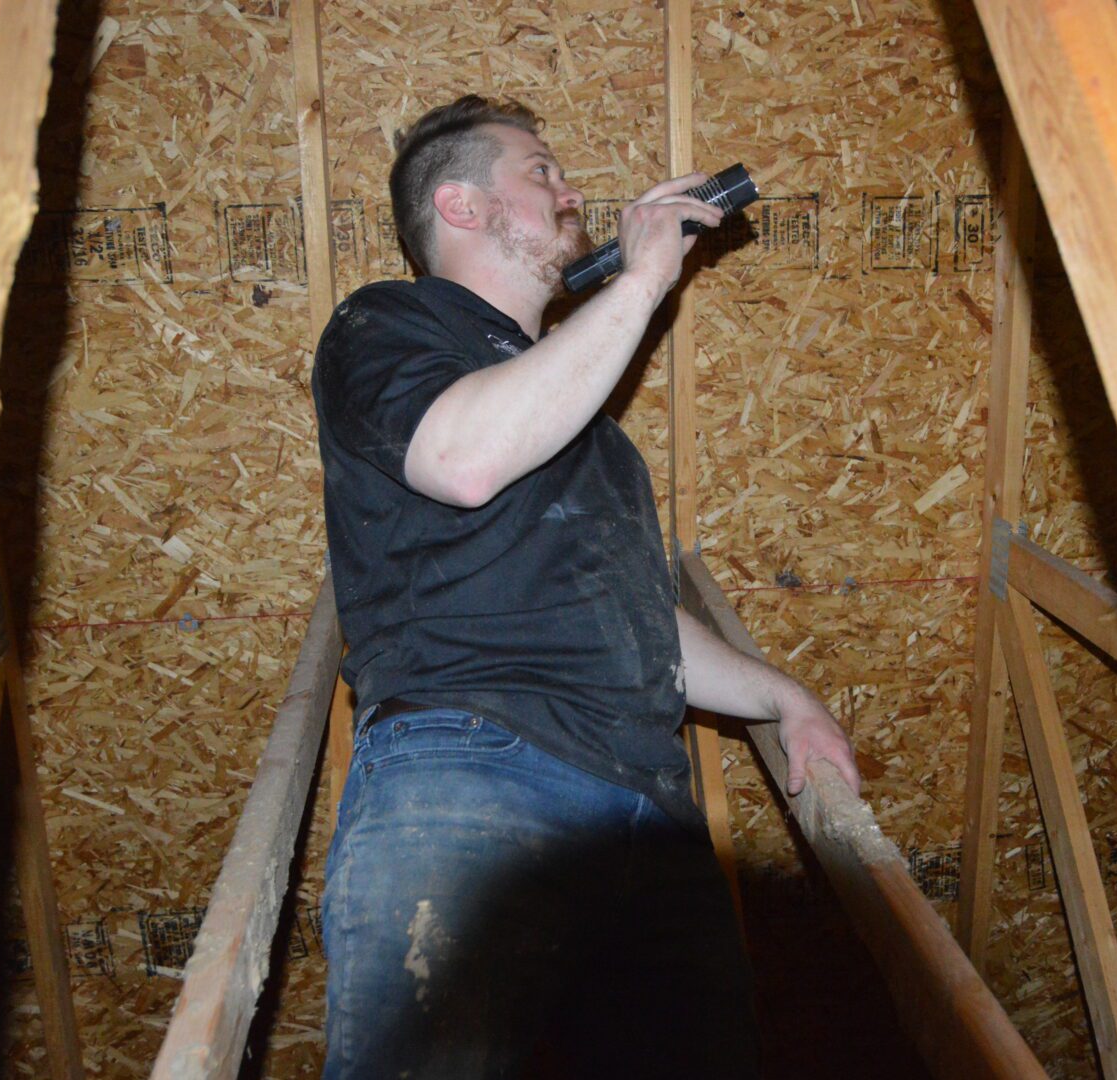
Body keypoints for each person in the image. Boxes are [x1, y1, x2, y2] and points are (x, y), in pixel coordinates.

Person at [310, 94, 861, 1080]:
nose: (571, 194)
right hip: (472, 769)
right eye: (541, 171)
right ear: (462, 205)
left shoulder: (590, 434)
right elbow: (465, 458)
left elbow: (640, 625)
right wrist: (646, 275)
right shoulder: (386, 325)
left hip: (646, 813)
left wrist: (785, 697)